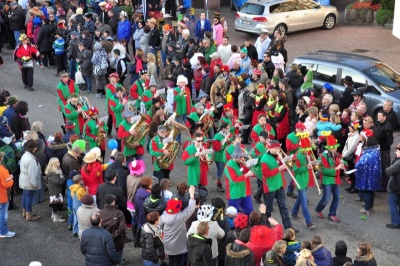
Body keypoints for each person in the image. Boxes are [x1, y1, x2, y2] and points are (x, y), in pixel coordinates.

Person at [260, 140, 297, 231]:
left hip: (279, 185)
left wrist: (284, 161)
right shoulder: (264, 158)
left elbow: (284, 168)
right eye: (275, 148)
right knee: (268, 208)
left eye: (278, 148)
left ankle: (288, 227)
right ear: (270, 148)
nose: (277, 150)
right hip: (270, 187)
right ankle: (266, 227)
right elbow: (266, 174)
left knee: (283, 207)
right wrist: (279, 168)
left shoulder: (278, 156)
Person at [160, 186, 196, 266]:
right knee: (178, 262)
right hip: (179, 245)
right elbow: (191, 208)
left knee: (171, 261)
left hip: (168, 244)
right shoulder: (181, 217)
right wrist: (192, 194)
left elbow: (157, 227)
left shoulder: (163, 216)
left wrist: (162, 236)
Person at [315, 133, 346, 223]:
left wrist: (343, 164)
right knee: (326, 198)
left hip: (336, 179)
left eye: (335, 147)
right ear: (328, 148)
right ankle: (318, 209)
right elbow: (324, 170)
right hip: (327, 179)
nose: (335, 149)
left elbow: (344, 162)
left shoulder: (337, 154)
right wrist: (336, 168)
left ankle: (332, 214)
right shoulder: (323, 156)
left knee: (336, 198)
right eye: (332, 148)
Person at [291, 133, 316, 229]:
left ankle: (294, 212)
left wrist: (312, 161)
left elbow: (314, 162)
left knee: (300, 199)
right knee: (304, 203)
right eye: (306, 149)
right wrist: (306, 166)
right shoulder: (295, 156)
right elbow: (295, 169)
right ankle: (309, 222)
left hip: (305, 180)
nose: (307, 151)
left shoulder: (307, 154)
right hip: (299, 182)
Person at [224, 143, 254, 215]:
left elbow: (253, 173)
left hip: (245, 192)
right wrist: (246, 175)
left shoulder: (242, 163)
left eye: (242, 157)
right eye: (240, 157)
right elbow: (234, 180)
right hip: (234, 194)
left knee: (250, 211)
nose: (242, 159)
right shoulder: (229, 166)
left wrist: (251, 167)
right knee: (232, 215)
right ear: (235, 157)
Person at [355, 136, 381, 215]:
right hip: (374, 175)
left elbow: (360, 164)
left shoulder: (368, 153)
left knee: (367, 191)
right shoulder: (376, 152)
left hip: (367, 175)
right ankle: (370, 207)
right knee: (371, 191)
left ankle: (366, 209)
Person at [99, 194, 126, 265]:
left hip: (103, 242)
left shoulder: (99, 213)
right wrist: (113, 236)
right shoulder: (119, 213)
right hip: (116, 243)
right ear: (113, 202)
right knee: (118, 261)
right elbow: (122, 227)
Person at [20, 140, 41, 221]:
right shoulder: (31, 160)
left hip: (24, 180)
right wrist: (35, 184)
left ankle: (24, 212)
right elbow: (33, 174)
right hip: (29, 181)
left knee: (25, 195)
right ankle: (29, 214)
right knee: (29, 196)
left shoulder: (25, 155)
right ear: (34, 149)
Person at [376, 110, 394, 192]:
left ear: (384, 117)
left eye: (380, 116)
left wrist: (380, 147)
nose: (378, 117)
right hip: (380, 149)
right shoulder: (380, 123)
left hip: (384, 150)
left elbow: (389, 141)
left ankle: (384, 187)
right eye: (378, 116)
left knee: (384, 168)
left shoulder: (387, 127)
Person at [45, 157, 66, 222]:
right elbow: (58, 182)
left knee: (55, 204)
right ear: (54, 164)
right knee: (55, 204)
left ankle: (54, 215)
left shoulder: (53, 171)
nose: (59, 163)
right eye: (57, 163)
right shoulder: (53, 173)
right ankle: (55, 217)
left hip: (54, 190)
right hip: (55, 191)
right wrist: (64, 178)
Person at [0, 151, 15, 238]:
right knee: (3, 214)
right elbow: (7, 184)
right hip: (2, 195)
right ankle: (3, 232)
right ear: (1, 159)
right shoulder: (2, 170)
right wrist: (11, 178)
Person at [385, 144, 400, 229]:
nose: (395, 153)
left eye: (398, 151)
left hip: (395, 186)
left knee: (392, 203)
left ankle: (396, 222)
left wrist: (389, 167)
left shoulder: (398, 162)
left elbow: (389, 170)